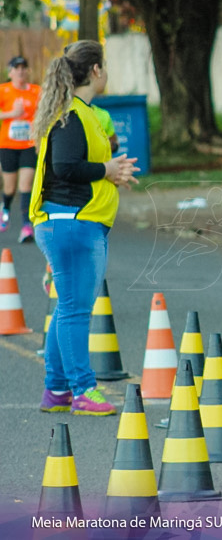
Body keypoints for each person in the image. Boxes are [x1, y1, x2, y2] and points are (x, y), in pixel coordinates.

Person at [31, 41, 139, 416]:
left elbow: (77, 167)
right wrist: (107, 170)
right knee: (76, 310)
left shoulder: (79, 113)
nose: (106, 73)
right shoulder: (72, 116)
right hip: (72, 224)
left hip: (70, 222)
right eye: (104, 66)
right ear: (95, 70)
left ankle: (57, 391)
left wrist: (112, 174)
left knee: (68, 307)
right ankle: (83, 389)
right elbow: (65, 167)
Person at [0, 56, 42, 242]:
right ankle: (6, 209)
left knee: (26, 185)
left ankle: (27, 227)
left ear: (28, 71)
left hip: (28, 145)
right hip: (8, 145)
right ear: (10, 72)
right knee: (9, 188)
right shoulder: (3, 90)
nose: (21, 71)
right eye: (17, 67)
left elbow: (44, 111)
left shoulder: (36, 91)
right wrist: (11, 114)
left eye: (24, 67)